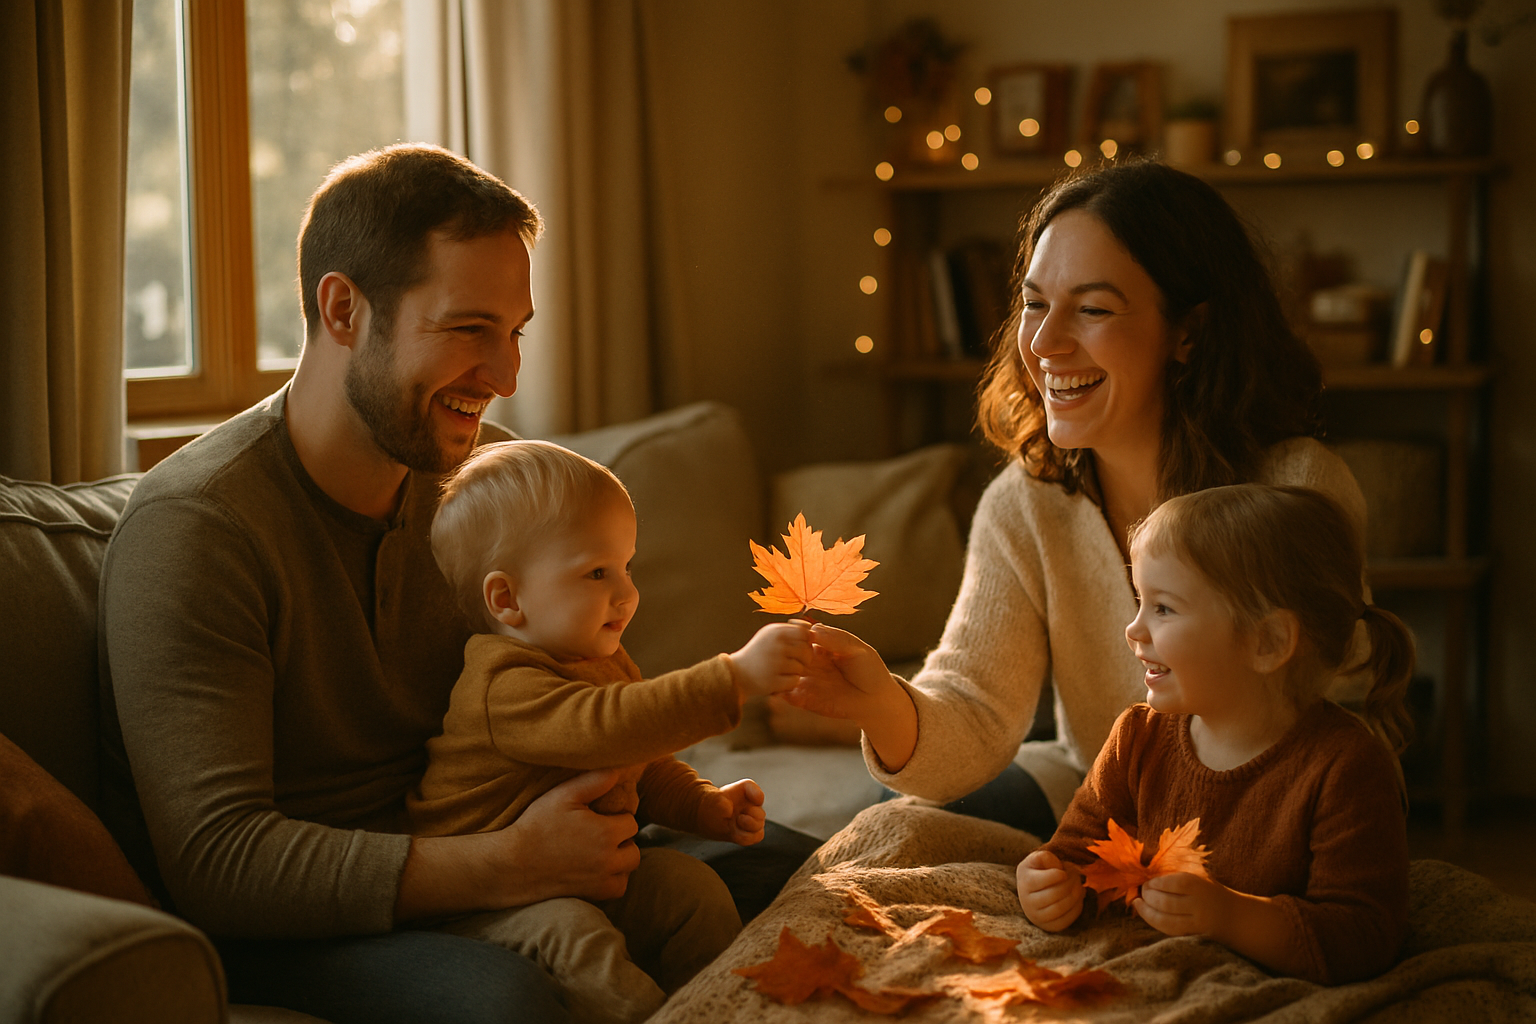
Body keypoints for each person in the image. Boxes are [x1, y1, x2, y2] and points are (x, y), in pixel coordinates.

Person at [96, 144, 817, 1024]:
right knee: (509, 1001)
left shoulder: (482, 485)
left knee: (802, 877)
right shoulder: (199, 528)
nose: (505, 376)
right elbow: (221, 862)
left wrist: (675, 802)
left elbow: (587, 695)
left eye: (515, 333)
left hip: (506, 833)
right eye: (469, 329)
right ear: (343, 310)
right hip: (316, 923)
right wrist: (514, 863)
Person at [785, 159, 1369, 843]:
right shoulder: (1026, 501)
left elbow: (1340, 724)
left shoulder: (1296, 489)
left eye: (1092, 309)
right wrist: (882, 702)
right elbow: (972, 708)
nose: (1045, 343)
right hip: (1096, 791)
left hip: (1261, 820)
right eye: (1034, 304)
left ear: (1189, 333)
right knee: (888, 833)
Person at [413, 438, 813, 1024]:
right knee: (575, 939)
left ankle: (728, 1009)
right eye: (597, 572)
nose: (626, 593)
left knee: (692, 888)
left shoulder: (599, 660)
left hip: (587, 875)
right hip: (485, 905)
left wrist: (704, 807)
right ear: (506, 598)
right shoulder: (503, 687)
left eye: (626, 567)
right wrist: (732, 678)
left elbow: (639, 762)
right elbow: (611, 726)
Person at [1017, 484, 1412, 986]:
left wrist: (1232, 917)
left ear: (1267, 642)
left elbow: (1365, 937)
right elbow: (1075, 855)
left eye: (1164, 608)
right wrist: (1047, 887)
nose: (1133, 630)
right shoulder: (1138, 736)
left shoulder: (1345, 767)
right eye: (1140, 601)